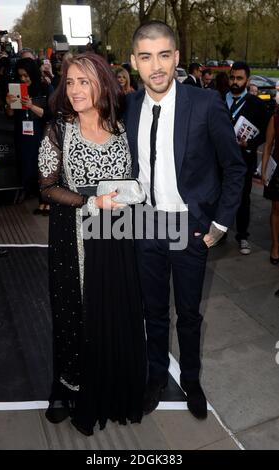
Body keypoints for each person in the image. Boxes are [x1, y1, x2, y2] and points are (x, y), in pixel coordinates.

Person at [125, 20, 246, 420]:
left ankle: (191, 380)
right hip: (145, 225)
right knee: (153, 312)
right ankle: (156, 377)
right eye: (146, 57)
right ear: (134, 62)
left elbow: (234, 167)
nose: (156, 66)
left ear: (176, 58)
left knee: (189, 314)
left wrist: (221, 223)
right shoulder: (128, 107)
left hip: (188, 227)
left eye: (163, 55)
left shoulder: (205, 103)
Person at [38, 52, 146, 436]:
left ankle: (112, 389)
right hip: (73, 240)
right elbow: (47, 187)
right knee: (74, 316)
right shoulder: (59, 130)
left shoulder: (120, 128)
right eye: (70, 82)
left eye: (84, 81)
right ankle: (72, 392)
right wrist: (89, 201)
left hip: (115, 239)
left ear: (102, 83)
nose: (76, 90)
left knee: (112, 314)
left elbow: (132, 181)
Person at [225, 61, 268, 255]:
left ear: (247, 80)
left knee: (243, 199)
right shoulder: (217, 99)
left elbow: (266, 131)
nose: (235, 81)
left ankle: (242, 236)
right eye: (232, 77)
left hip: (244, 161)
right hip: (219, 162)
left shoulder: (256, 104)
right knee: (220, 198)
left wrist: (249, 144)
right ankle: (220, 233)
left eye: (239, 78)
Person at [5, 58, 53, 214]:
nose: (24, 79)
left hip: (41, 134)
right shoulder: (17, 89)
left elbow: (49, 115)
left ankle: (46, 202)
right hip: (23, 135)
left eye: (26, 75)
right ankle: (41, 199)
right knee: (28, 168)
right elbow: (11, 114)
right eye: (21, 76)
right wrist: (9, 104)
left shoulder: (45, 88)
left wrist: (31, 105)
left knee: (43, 168)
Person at [261, 85, 279, 264]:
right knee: (276, 209)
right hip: (278, 169)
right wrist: (264, 171)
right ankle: (275, 247)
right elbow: (267, 146)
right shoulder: (275, 118)